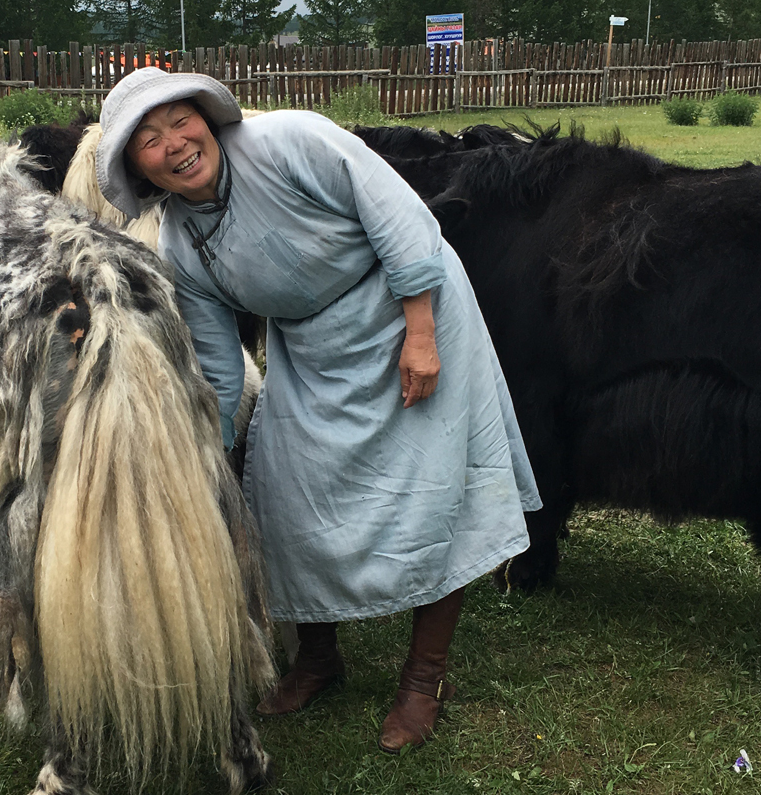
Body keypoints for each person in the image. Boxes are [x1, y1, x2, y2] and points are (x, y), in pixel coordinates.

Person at [95, 67, 542, 753]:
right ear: (139, 168)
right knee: (283, 492)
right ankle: (318, 656)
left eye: (179, 120)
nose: (175, 144)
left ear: (204, 116)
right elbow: (217, 365)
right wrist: (205, 453)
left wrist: (420, 333)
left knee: (433, 491)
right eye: (149, 141)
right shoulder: (181, 241)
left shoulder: (290, 140)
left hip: (411, 309)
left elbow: (398, 215)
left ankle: (425, 678)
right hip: (310, 346)